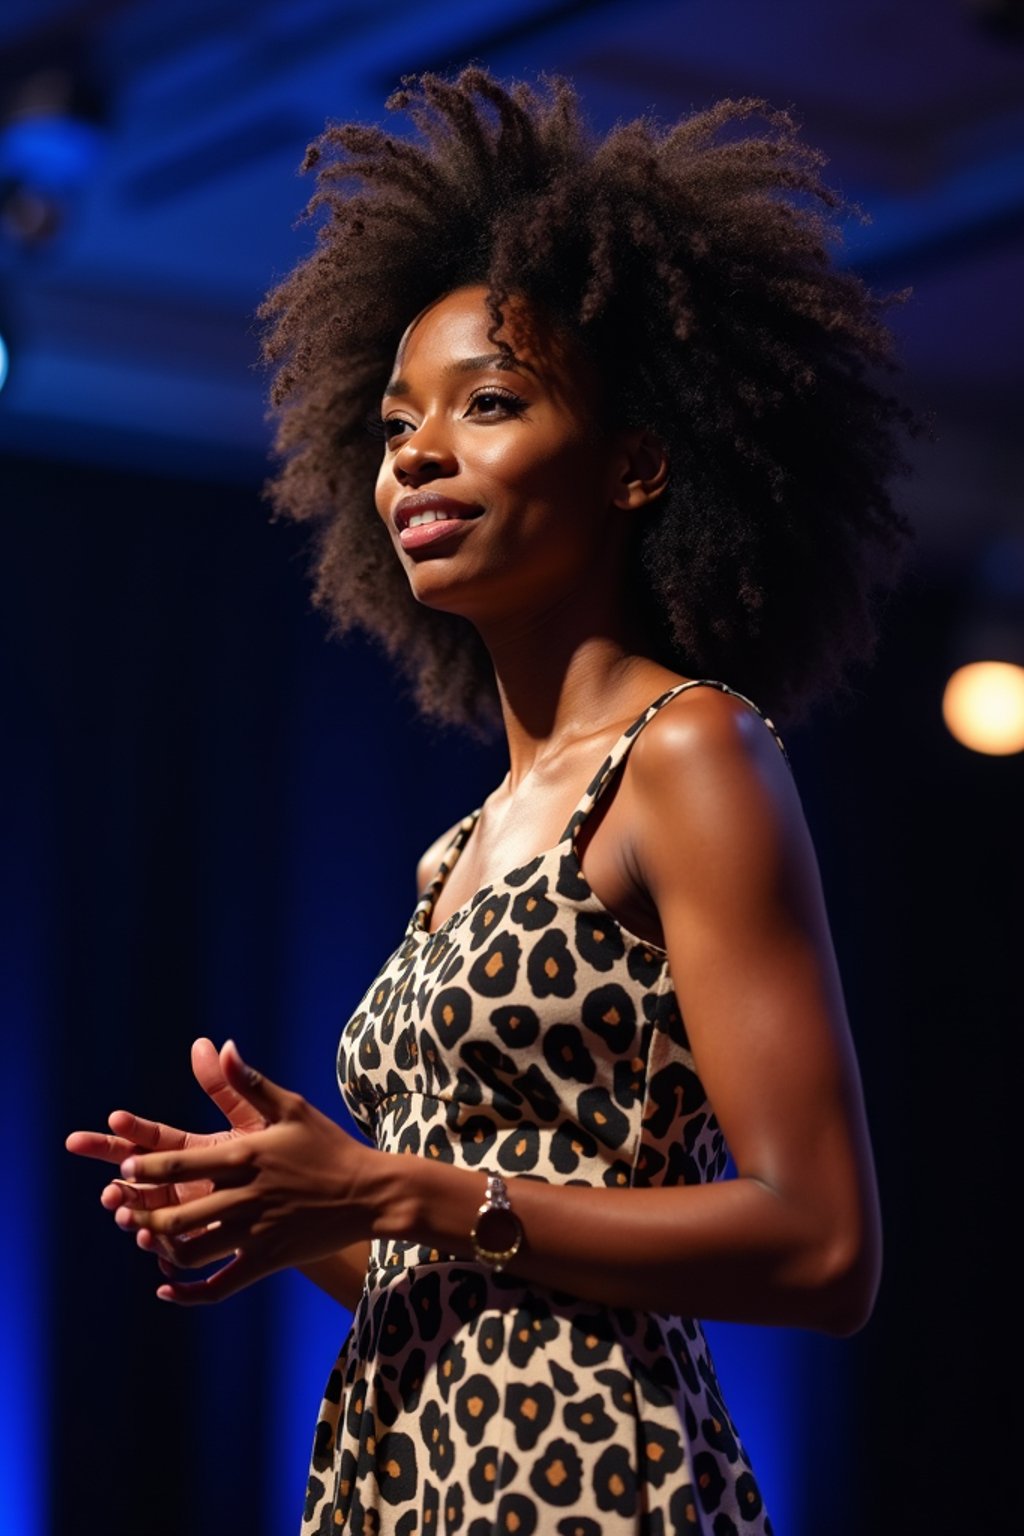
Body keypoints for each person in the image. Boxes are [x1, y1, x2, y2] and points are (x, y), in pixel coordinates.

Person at [67, 69, 916, 1536]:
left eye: (493, 403)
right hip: (410, 1486)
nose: (417, 451)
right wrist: (311, 1211)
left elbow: (822, 1246)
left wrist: (394, 1190)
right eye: (398, 420)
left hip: (596, 1488)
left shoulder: (691, 754)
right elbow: (489, 1261)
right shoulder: (454, 850)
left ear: (643, 463)